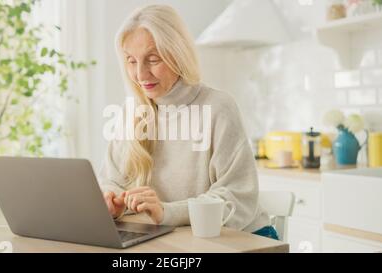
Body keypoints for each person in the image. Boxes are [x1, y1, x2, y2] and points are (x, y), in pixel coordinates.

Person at [98, 4, 277, 240]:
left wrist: (167, 212)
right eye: (131, 61)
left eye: (153, 59)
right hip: (180, 239)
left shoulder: (218, 107)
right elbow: (111, 180)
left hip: (243, 239)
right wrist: (113, 200)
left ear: (178, 53)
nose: (141, 75)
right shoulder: (132, 113)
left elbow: (237, 198)